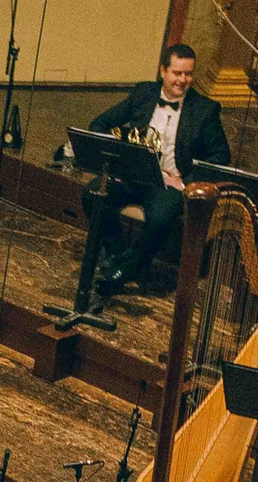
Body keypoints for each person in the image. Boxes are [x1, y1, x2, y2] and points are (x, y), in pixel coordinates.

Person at [84, 45, 230, 299]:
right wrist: (121, 159)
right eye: (177, 73)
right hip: (133, 176)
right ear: (162, 70)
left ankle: (122, 270)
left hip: (169, 185)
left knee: (162, 218)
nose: (183, 80)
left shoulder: (205, 109)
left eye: (188, 74)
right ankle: (121, 257)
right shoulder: (143, 93)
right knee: (92, 193)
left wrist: (185, 182)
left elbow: (220, 158)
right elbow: (99, 124)